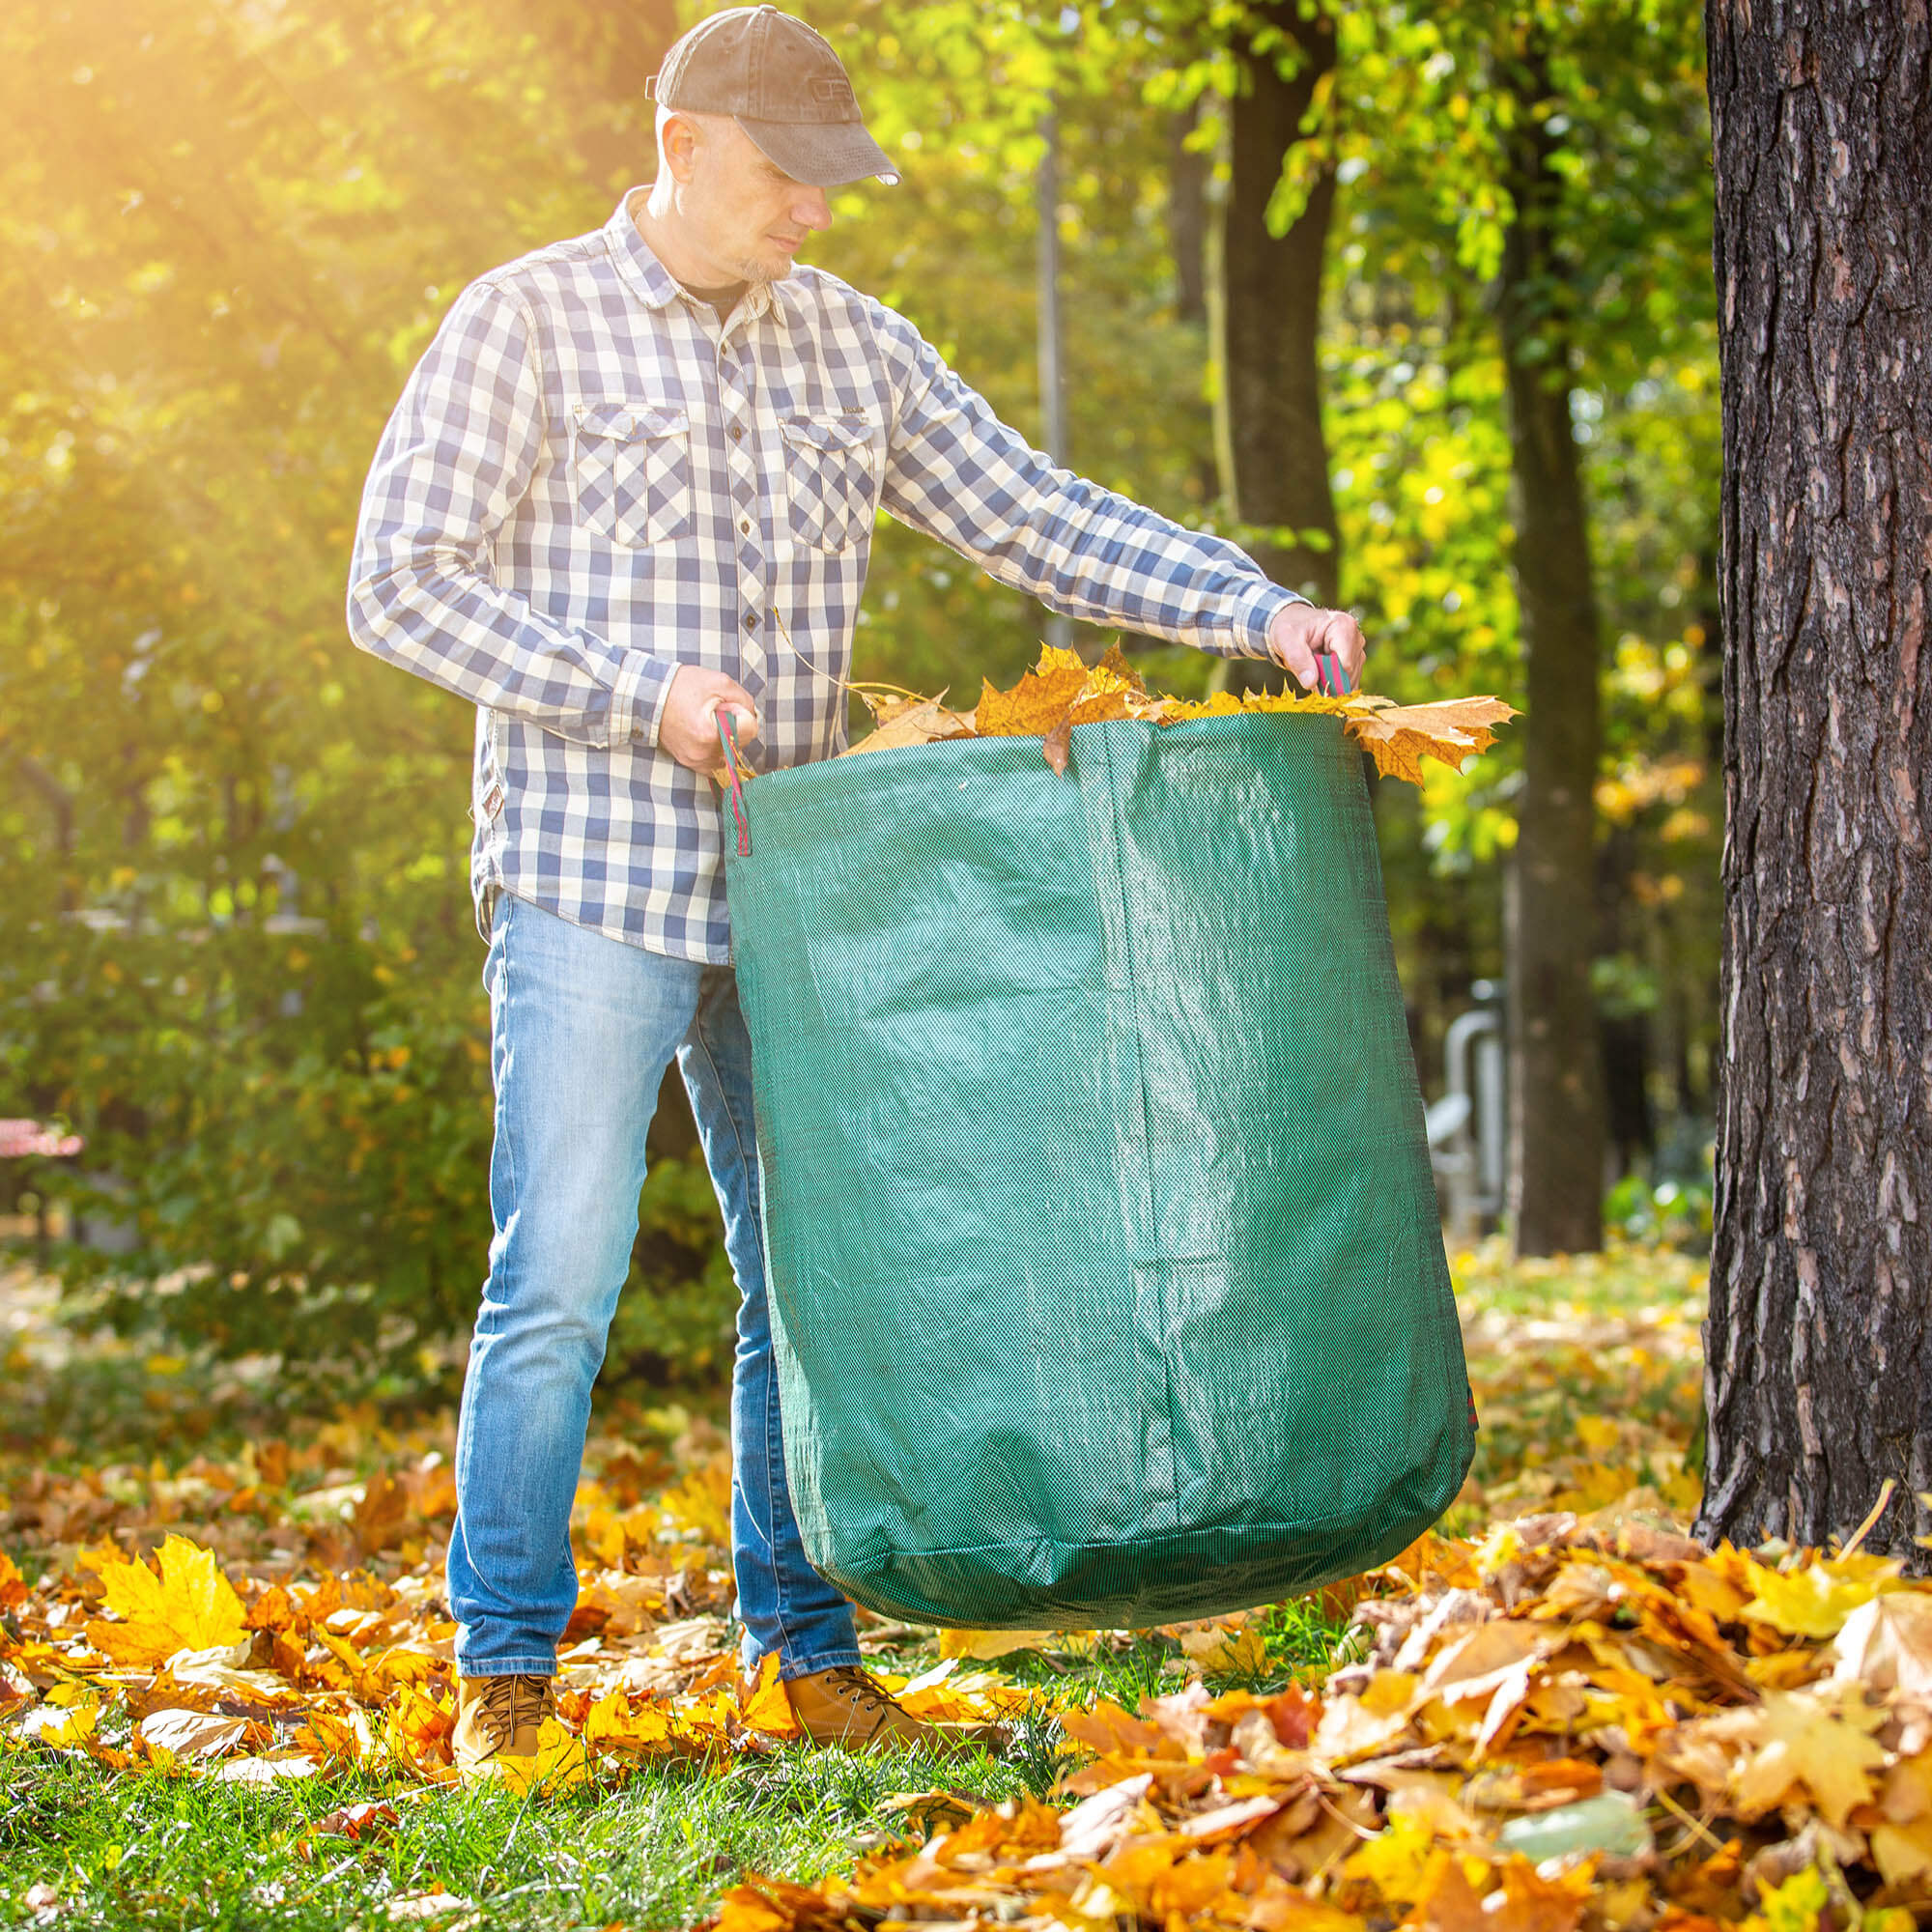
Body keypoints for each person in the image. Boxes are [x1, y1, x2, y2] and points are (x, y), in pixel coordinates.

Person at [346, 2, 1367, 1778]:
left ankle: (800, 1648)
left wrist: (1251, 606)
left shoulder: (857, 352)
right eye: (784, 178)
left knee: (809, 1283)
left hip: (798, 894)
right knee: (560, 1283)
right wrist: (634, 690)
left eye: (832, 183)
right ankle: (504, 1666)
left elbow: (1036, 517)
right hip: (591, 877)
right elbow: (396, 584)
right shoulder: (527, 320)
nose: (812, 212)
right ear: (680, 146)